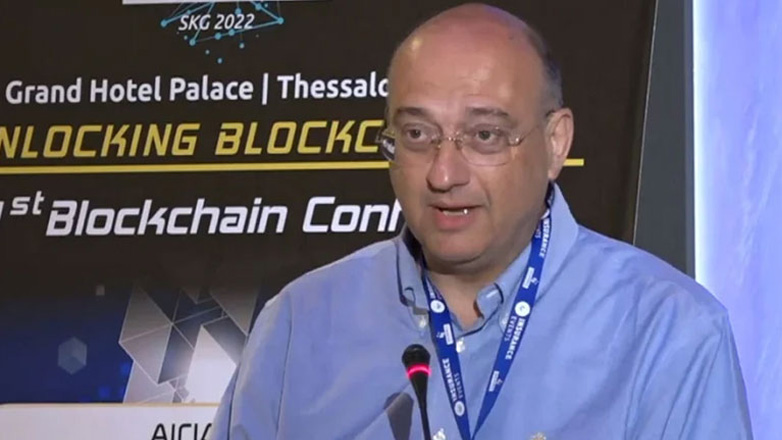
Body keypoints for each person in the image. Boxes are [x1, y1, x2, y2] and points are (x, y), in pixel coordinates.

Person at [210, 3, 752, 439]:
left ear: (556, 142)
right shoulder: (298, 326)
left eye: (485, 136)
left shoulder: (670, 334)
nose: (444, 174)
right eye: (417, 135)